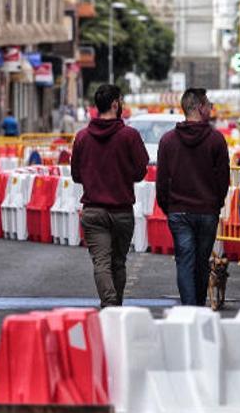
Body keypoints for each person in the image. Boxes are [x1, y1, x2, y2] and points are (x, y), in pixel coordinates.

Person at [71, 84, 149, 307]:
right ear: (115, 104)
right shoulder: (129, 136)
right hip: (122, 211)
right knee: (118, 263)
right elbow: (140, 171)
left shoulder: (83, 137)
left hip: (93, 211)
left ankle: (109, 304)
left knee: (101, 263)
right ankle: (115, 306)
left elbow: (76, 175)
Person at [156, 88, 230, 306]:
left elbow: (162, 181)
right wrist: (216, 203)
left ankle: (190, 309)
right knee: (200, 262)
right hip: (207, 212)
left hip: (179, 212)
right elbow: (222, 179)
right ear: (199, 107)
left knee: (185, 262)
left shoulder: (168, 141)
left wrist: (167, 206)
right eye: (209, 104)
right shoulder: (216, 140)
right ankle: (197, 307)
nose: (211, 108)